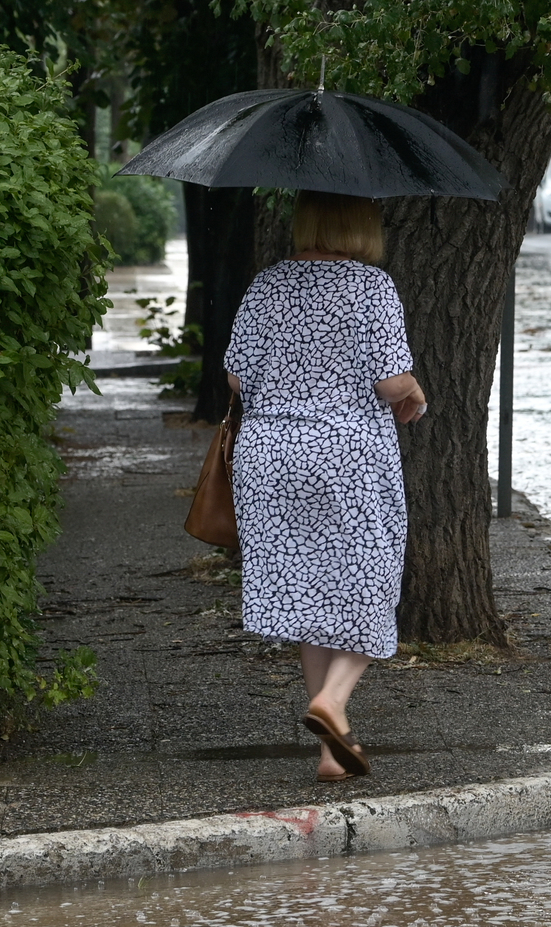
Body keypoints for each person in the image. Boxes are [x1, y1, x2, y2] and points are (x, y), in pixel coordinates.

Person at [223, 190, 426, 783]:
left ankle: (331, 751)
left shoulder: (266, 286)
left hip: (268, 460)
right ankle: (332, 702)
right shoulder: (370, 286)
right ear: (361, 225)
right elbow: (391, 382)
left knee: (306, 595)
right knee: (372, 581)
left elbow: (237, 378)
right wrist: (415, 394)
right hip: (345, 460)